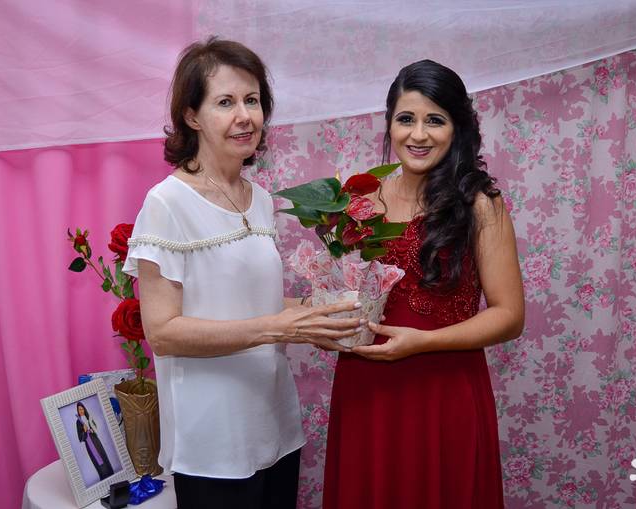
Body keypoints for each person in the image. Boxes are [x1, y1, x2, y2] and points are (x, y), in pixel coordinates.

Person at [122, 37, 362, 509]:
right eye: (225, 102)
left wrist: (320, 314)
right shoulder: (167, 203)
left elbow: (250, 303)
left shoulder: (261, 198)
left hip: (274, 424)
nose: (245, 116)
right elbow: (163, 333)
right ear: (191, 116)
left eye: (252, 100)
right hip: (213, 440)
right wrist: (279, 327)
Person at [322, 60, 525, 509]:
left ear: (457, 128)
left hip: (443, 389)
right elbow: (346, 291)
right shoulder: (358, 200)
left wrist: (423, 343)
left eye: (435, 120)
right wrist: (327, 325)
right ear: (389, 124)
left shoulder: (480, 205)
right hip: (365, 388)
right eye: (405, 119)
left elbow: (510, 316)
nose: (418, 134)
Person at [75, 402, 114, 481]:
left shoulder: (89, 417)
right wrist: (85, 431)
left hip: (96, 441)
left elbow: (95, 427)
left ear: (84, 409)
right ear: (77, 411)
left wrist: (92, 430)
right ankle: (104, 477)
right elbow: (80, 438)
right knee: (96, 460)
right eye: (79, 409)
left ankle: (111, 473)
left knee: (103, 455)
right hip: (89, 444)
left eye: (82, 409)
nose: (81, 411)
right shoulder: (78, 422)